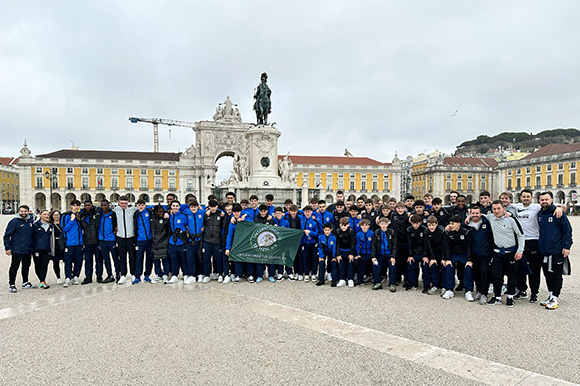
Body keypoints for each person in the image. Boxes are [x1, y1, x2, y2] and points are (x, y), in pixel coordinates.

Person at [511, 189, 563, 303]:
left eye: (528, 196)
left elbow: (551, 207)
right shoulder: (516, 207)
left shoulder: (537, 207)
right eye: (523, 196)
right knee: (519, 269)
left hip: (534, 241)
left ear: (532, 197)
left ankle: (534, 293)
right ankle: (522, 290)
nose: (525, 198)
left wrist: (559, 207)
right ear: (520, 198)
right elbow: (502, 205)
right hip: (520, 242)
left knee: (534, 270)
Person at [483, 200, 525, 307]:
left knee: (512, 276)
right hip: (497, 252)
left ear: (504, 209)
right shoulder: (491, 218)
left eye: (498, 208)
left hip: (511, 252)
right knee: (496, 275)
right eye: (494, 209)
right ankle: (497, 297)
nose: (496, 211)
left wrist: (520, 251)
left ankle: (510, 296)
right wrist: (469, 217)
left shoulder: (511, 220)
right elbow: (478, 215)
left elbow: (520, 235)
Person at [537, 192, 573, 310]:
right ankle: (551, 295)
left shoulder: (558, 214)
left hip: (556, 250)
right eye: (542, 200)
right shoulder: (540, 214)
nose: (544, 202)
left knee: (556, 275)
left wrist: (567, 246)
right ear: (539, 201)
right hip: (544, 250)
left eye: (546, 199)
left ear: (551, 200)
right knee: (547, 274)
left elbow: (567, 230)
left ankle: (555, 298)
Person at [441, 216, 473, 301]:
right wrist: (447, 259)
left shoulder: (466, 232)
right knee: (448, 266)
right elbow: (446, 247)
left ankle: (468, 291)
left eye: (453, 224)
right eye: (450, 223)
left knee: (468, 268)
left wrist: (469, 260)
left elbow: (469, 247)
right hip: (453, 254)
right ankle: (449, 290)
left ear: (459, 224)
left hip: (464, 254)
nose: (450, 225)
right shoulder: (448, 233)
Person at [4, 205, 35, 293]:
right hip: (17, 248)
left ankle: (25, 282)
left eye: (25, 211)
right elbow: (7, 236)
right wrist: (7, 248)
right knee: (14, 267)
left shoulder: (30, 221)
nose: (23, 213)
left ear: (28, 211)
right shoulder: (14, 222)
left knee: (26, 266)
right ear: (18, 212)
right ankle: (12, 284)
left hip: (28, 249)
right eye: (21, 211)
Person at [467, 205, 494, 304]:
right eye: (473, 213)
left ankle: (484, 294)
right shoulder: (467, 225)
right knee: (476, 273)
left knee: (485, 273)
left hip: (485, 253)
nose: (475, 215)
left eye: (477, 213)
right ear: (470, 214)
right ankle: (478, 291)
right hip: (474, 253)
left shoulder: (487, 223)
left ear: (480, 213)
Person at [113, 196, 138, 284]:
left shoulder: (133, 209)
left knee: (132, 257)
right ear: (119, 203)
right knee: (122, 257)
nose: (124, 205)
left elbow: (146, 208)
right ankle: (123, 275)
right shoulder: (116, 210)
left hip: (130, 237)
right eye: (122, 203)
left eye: (125, 203)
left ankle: (133, 274)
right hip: (120, 237)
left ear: (128, 203)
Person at [225, 203, 253, 283]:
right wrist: (228, 248)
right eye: (234, 212)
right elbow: (229, 236)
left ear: (240, 212)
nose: (236, 213)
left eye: (238, 212)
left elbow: (252, 222)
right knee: (237, 260)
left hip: (246, 243)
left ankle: (249, 275)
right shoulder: (232, 222)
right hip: (236, 244)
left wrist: (244, 218)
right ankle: (238, 275)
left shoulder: (246, 219)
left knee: (247, 259)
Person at [61, 200, 84, 287]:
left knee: (79, 261)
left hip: (79, 242)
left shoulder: (80, 215)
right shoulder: (65, 215)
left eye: (78, 205)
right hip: (69, 242)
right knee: (68, 261)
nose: (76, 207)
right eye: (74, 205)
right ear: (71, 206)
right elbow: (65, 228)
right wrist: (71, 220)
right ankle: (68, 277)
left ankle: (76, 276)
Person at [371, 217, 397, 291]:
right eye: (382, 224)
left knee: (392, 266)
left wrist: (393, 256)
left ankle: (392, 283)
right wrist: (373, 256)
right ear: (379, 224)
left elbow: (395, 245)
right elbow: (373, 245)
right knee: (376, 265)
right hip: (380, 254)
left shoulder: (391, 232)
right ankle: (377, 282)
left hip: (389, 254)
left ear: (387, 224)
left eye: (385, 224)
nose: (383, 225)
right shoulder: (376, 233)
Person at [202, 200, 225, 283]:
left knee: (218, 259)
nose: (213, 208)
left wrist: (222, 212)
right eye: (211, 207)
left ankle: (219, 274)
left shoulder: (221, 214)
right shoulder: (206, 214)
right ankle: (207, 275)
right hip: (207, 240)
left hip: (217, 240)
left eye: (214, 206)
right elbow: (203, 224)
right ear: (209, 207)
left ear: (217, 206)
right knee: (206, 258)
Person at [167, 201, 189, 283]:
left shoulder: (184, 216)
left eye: (177, 206)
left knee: (183, 259)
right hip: (172, 241)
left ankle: (185, 274)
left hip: (182, 241)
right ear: (171, 207)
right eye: (173, 206)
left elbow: (189, 226)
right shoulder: (169, 216)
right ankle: (174, 275)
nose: (175, 207)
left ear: (179, 207)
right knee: (173, 260)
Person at [424, 216, 446, 295]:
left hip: (442, 252)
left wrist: (444, 258)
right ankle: (435, 285)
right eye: (429, 225)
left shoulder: (442, 231)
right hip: (433, 252)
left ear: (436, 224)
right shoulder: (426, 231)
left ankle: (444, 286)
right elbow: (428, 245)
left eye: (433, 225)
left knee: (443, 268)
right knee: (433, 267)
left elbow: (445, 245)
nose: (431, 227)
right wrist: (432, 257)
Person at [133, 199, 153, 284]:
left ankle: (147, 275)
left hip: (149, 239)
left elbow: (161, 207)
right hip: (140, 240)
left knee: (149, 258)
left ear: (145, 205)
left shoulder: (148, 212)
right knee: (139, 259)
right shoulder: (136, 214)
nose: (141, 206)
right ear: (137, 206)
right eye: (139, 205)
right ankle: (137, 276)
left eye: (142, 205)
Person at [390, 202, 410, 286]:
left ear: (405, 208)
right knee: (397, 260)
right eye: (398, 208)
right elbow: (383, 215)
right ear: (396, 208)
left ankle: (406, 278)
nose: (400, 210)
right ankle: (397, 277)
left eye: (402, 208)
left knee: (405, 261)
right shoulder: (393, 216)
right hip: (396, 241)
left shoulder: (408, 216)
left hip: (405, 241)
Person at [96, 200, 116, 284]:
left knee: (115, 258)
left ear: (108, 205)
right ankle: (110, 275)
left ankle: (118, 274)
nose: (104, 207)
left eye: (105, 205)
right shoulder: (99, 214)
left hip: (112, 240)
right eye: (102, 205)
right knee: (106, 259)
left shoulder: (113, 214)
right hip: (102, 240)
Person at [32, 209, 53, 289]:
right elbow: (31, 237)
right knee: (38, 265)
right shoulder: (35, 225)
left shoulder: (50, 225)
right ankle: (42, 280)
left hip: (47, 248)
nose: (46, 216)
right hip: (37, 248)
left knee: (44, 265)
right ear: (40, 215)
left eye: (47, 214)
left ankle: (42, 281)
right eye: (44, 214)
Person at [80, 200, 99, 285]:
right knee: (88, 260)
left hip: (96, 240)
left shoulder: (97, 213)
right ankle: (88, 277)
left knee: (98, 260)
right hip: (87, 241)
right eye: (85, 205)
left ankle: (99, 276)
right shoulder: (82, 215)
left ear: (92, 205)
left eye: (89, 205)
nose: (87, 207)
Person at [150, 205, 170, 283]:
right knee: (156, 260)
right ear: (155, 212)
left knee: (165, 259)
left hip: (163, 241)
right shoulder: (152, 217)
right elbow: (147, 209)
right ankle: (159, 274)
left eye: (162, 211)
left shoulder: (165, 218)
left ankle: (165, 274)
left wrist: (166, 212)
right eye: (159, 211)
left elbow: (168, 230)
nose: (161, 213)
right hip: (154, 242)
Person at [406, 214, 426, 291]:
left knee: (425, 267)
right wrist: (410, 255)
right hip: (414, 252)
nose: (415, 225)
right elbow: (409, 243)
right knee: (411, 266)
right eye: (413, 223)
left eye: (417, 223)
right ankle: (413, 284)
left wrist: (425, 255)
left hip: (423, 252)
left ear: (420, 222)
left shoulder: (424, 229)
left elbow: (426, 243)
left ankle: (426, 285)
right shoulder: (409, 230)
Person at [301, 206, 321, 282]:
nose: (307, 213)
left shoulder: (315, 221)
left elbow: (318, 233)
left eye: (308, 211)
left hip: (313, 243)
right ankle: (306, 274)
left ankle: (314, 274)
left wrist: (310, 232)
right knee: (306, 258)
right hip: (305, 243)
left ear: (312, 212)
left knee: (314, 259)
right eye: (305, 211)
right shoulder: (301, 219)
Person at [336, 217, 356, 288]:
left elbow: (353, 243)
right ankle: (342, 279)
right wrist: (338, 254)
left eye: (345, 225)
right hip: (341, 251)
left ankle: (350, 279)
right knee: (341, 264)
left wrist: (351, 253)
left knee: (350, 264)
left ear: (348, 225)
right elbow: (337, 243)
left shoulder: (351, 231)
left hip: (349, 251)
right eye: (341, 225)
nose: (343, 227)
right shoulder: (338, 231)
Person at [272, 207, 290, 281]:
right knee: (277, 257)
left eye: (279, 213)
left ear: (282, 214)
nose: (278, 214)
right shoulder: (272, 221)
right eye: (276, 213)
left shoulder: (286, 222)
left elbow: (288, 232)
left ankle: (288, 272)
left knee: (285, 257)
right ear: (274, 214)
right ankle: (279, 272)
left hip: (284, 242)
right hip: (275, 243)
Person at [355, 219, 373, 286]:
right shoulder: (358, 235)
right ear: (360, 226)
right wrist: (358, 254)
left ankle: (374, 279)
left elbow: (373, 244)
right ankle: (360, 280)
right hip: (362, 253)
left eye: (366, 225)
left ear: (368, 226)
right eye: (363, 225)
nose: (364, 227)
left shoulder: (371, 234)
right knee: (361, 266)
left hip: (370, 252)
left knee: (373, 265)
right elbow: (357, 245)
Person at [48, 210, 64, 284]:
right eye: (55, 215)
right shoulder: (50, 224)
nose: (56, 216)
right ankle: (58, 277)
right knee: (56, 262)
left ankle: (70, 275)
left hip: (63, 243)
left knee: (68, 260)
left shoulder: (63, 223)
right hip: (55, 244)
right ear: (52, 216)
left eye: (58, 215)